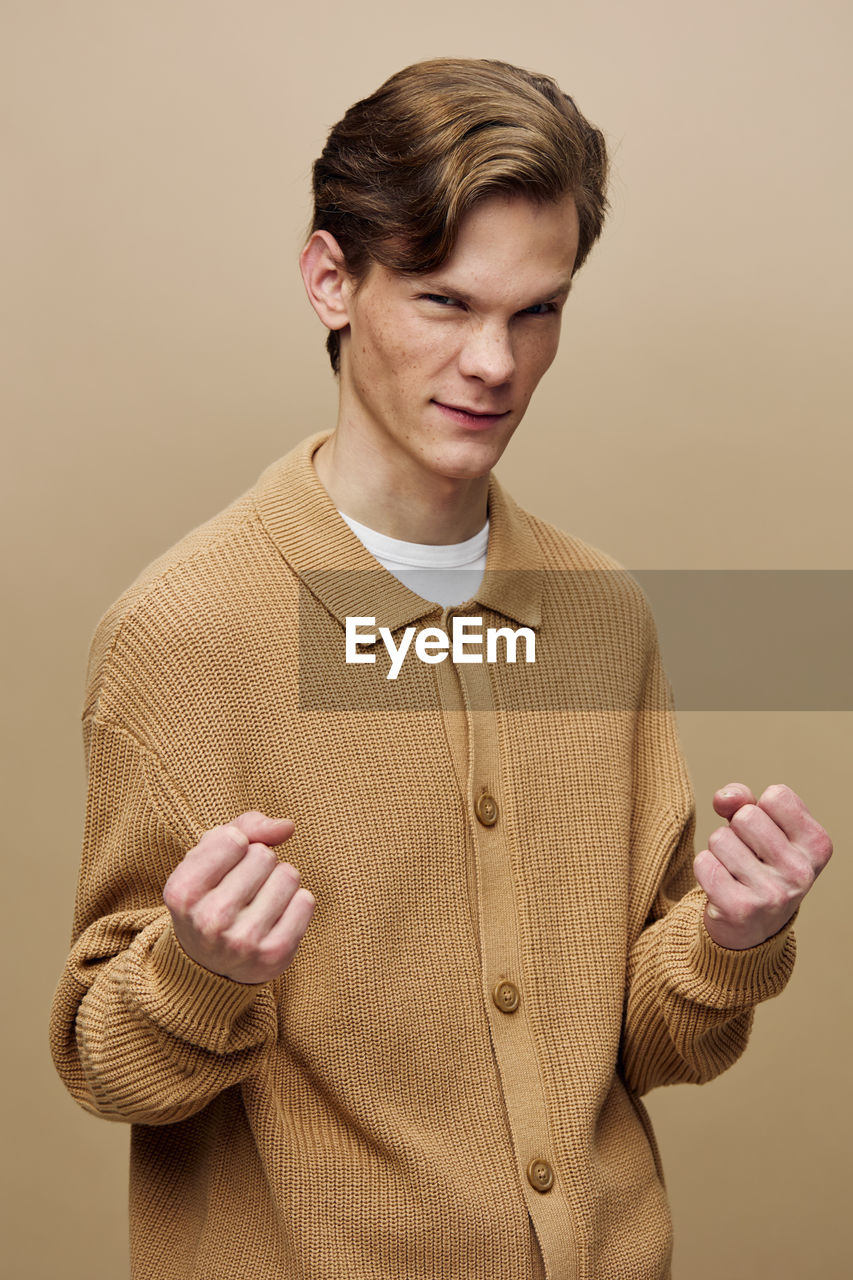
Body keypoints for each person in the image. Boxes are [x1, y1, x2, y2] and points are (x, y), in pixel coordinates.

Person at [49, 58, 832, 1280]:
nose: (494, 364)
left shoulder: (599, 618)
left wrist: (733, 937)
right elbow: (108, 1065)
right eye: (444, 303)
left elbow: (640, 1046)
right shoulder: (186, 631)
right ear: (330, 281)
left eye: (537, 311)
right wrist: (194, 972)